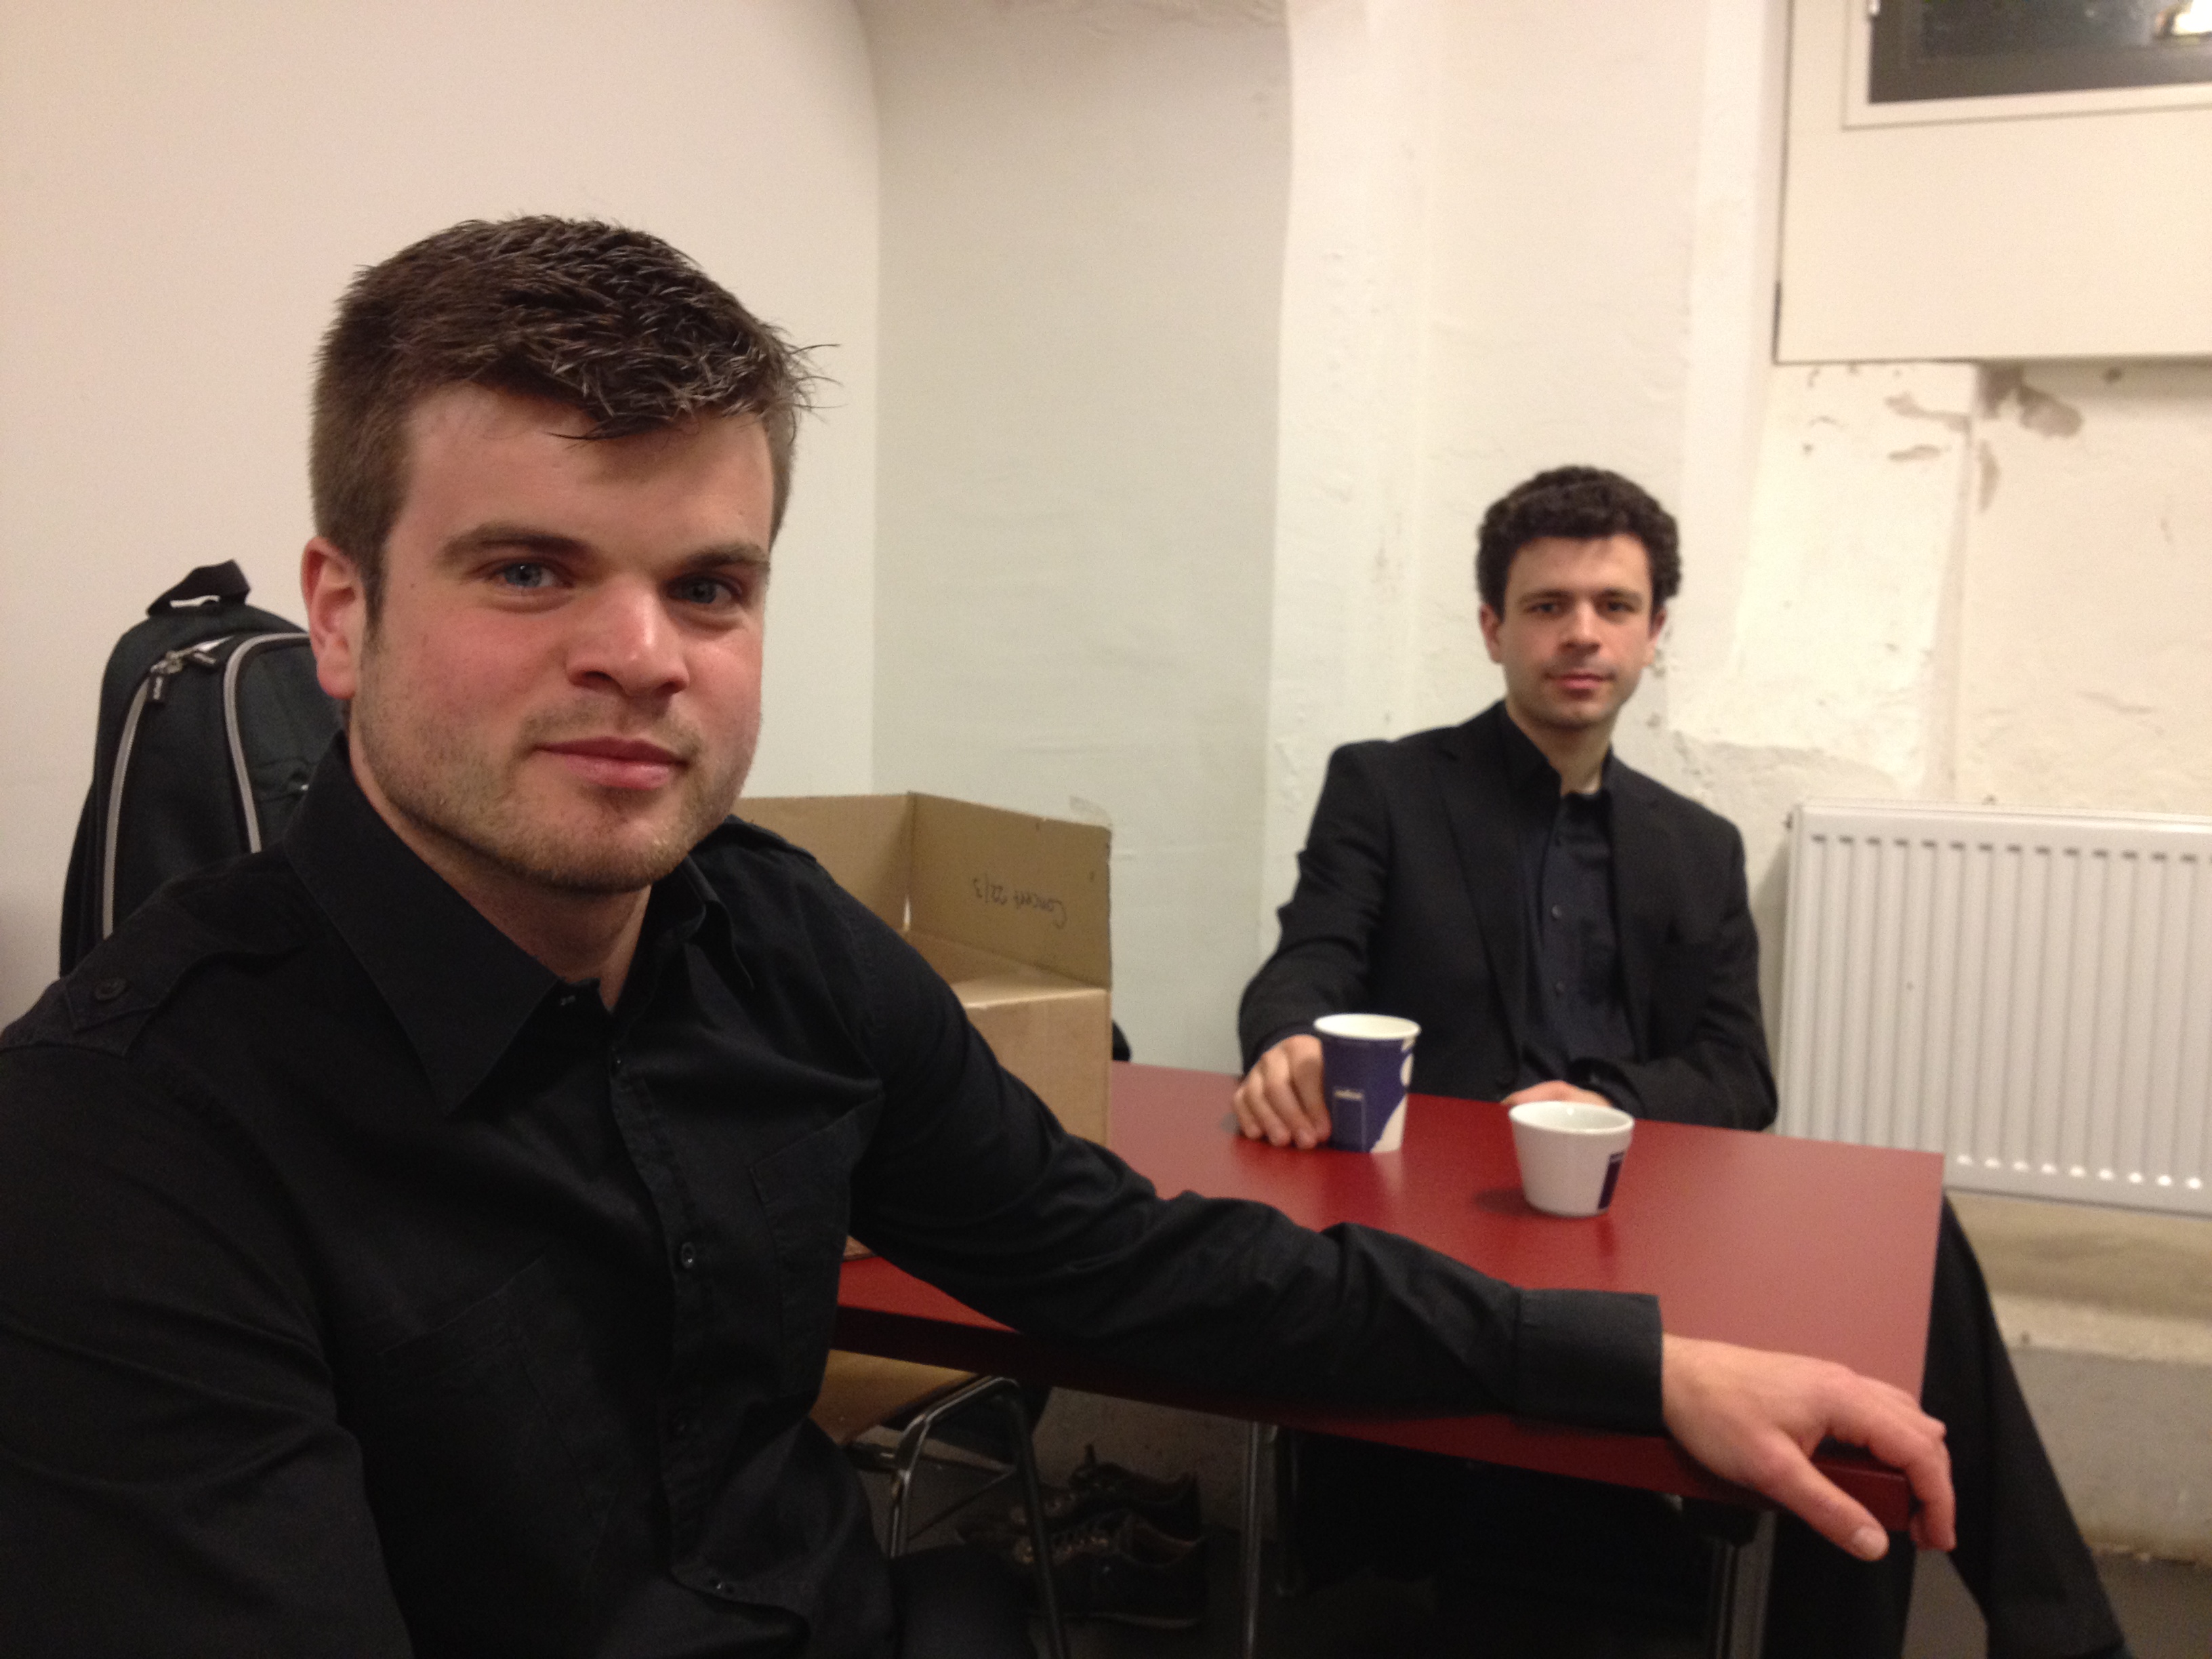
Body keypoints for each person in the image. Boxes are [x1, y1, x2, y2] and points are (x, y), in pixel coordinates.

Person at [0, 225, 1948, 1659]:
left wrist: (1631, 1365)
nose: (643, 654)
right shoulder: (121, 1136)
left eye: (711, 585)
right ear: (342, 616)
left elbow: (1129, 1261)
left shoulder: (773, 939)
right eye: (528, 569)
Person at [1234, 466, 2129, 1659]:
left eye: (1614, 605)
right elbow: (1305, 963)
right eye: (1548, 606)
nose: (1582, 633)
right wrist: (1290, 1038)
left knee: (1911, 1249)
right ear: (1495, 628)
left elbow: (1738, 1075)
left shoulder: (1697, 844)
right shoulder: (1387, 788)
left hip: (1638, 1214)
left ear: (1655, 633)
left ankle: (2046, 1636)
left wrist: (1603, 1100)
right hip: (1453, 1217)